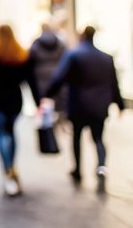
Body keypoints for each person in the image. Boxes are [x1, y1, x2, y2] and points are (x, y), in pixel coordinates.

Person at [43, 26, 125, 185]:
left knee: (77, 137)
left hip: (79, 104)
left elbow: (59, 78)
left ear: (82, 36)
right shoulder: (106, 58)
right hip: (99, 106)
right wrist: (120, 104)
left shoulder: (73, 55)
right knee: (98, 137)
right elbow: (114, 84)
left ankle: (78, 170)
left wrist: (47, 94)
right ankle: (101, 165)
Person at [0, 25, 36, 197]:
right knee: (11, 132)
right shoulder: (21, 54)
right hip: (15, 100)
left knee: (2, 134)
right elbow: (30, 80)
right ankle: (12, 167)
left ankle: (8, 170)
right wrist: (38, 101)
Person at [29, 23, 67, 124]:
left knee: (45, 114)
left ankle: (48, 134)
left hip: (41, 81)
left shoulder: (35, 44)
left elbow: (30, 63)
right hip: (57, 79)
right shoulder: (60, 44)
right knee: (59, 111)